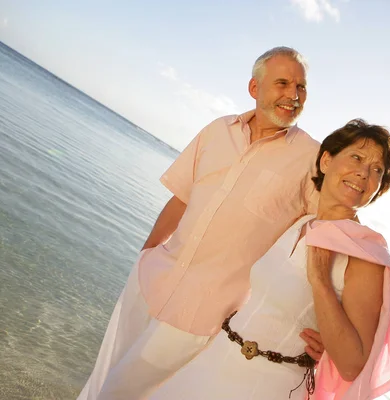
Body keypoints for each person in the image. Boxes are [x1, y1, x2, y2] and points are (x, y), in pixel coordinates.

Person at [77, 46, 328, 400]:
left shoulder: (313, 161)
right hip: (153, 280)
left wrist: (328, 330)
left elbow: (335, 239)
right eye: (283, 83)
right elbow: (181, 197)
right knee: (105, 377)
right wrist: (144, 254)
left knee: (119, 392)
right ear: (254, 88)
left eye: (301, 87)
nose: (293, 95)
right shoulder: (217, 130)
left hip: (205, 314)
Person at [148, 119, 390, 400]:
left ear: (378, 188)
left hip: (268, 386)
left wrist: (320, 281)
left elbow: (352, 366)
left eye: (376, 170)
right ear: (326, 161)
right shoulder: (302, 222)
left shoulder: (364, 256)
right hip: (210, 363)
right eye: (357, 157)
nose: (363, 173)